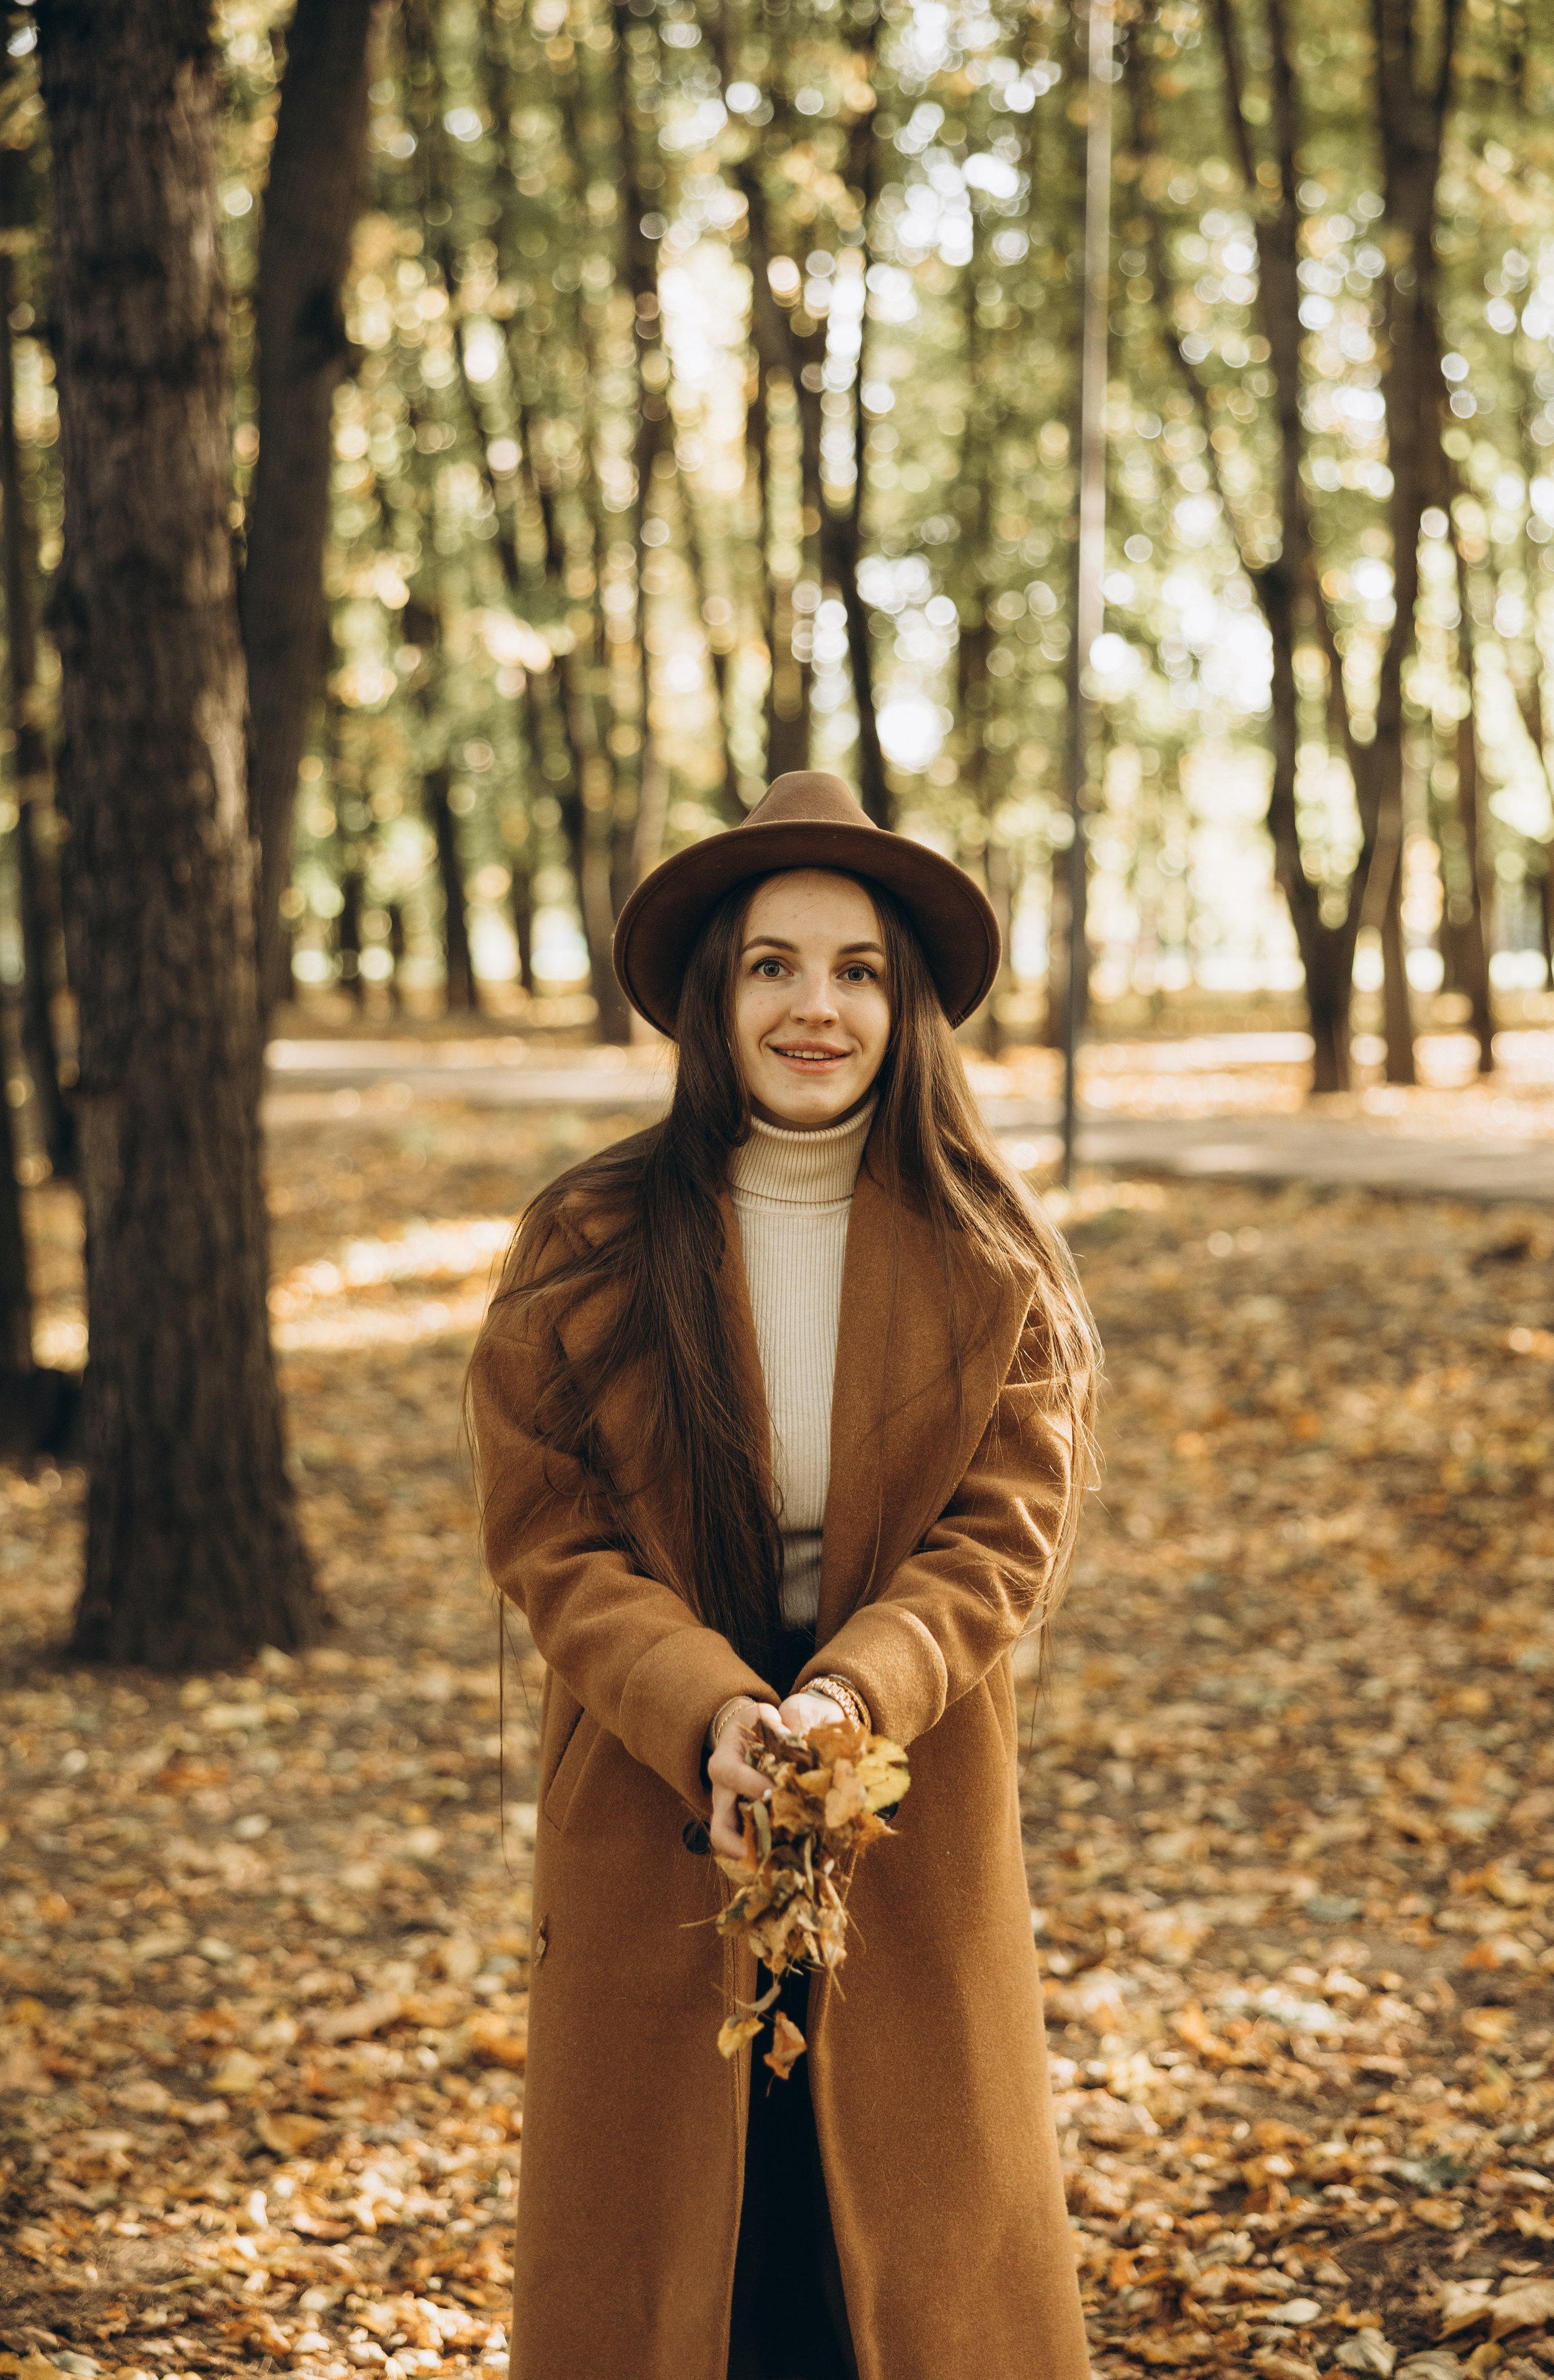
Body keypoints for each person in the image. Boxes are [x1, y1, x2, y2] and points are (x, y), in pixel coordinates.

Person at [468, 770, 1099, 2380]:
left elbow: (998, 1539)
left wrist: (844, 1699)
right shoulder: (587, 1245)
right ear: (714, 993)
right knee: (689, 2286)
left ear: (905, 1008)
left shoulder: (988, 1258)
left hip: (913, 1819)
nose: (815, 1005)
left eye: (858, 969)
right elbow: (552, 1533)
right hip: (649, 1818)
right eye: (772, 964)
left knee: (889, 2281)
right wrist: (710, 1711)